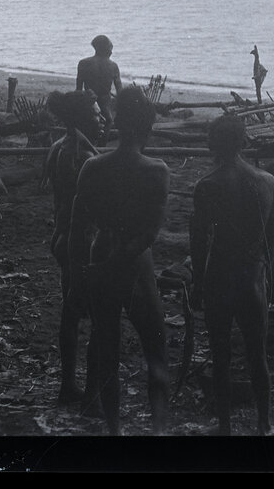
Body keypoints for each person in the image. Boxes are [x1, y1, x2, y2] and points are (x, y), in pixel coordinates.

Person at [68, 86, 170, 435]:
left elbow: (77, 229)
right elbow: (150, 233)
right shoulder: (156, 170)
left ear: (117, 123)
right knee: (156, 346)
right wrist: (119, 261)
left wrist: (82, 277)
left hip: (101, 256)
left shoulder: (92, 166)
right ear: (147, 129)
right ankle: (157, 431)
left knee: (107, 347)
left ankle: (114, 431)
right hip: (135, 264)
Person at [190, 114, 274, 436]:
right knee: (258, 353)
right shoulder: (267, 181)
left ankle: (225, 425)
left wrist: (198, 283)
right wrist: (269, 280)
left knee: (220, 353)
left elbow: (199, 241)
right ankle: (264, 424)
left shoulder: (208, 185)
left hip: (220, 276)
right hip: (254, 276)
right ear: (243, 141)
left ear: (214, 143)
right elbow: (272, 240)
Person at [42, 89, 104, 406]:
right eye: (96, 114)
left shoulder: (58, 147)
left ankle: (68, 385)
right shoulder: (83, 156)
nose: (103, 118)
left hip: (62, 235)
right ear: (82, 119)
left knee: (71, 310)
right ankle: (89, 394)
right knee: (97, 316)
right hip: (81, 240)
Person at [76, 35, 123, 141]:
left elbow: (78, 89)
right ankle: (102, 145)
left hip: (88, 100)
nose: (111, 52)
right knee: (109, 121)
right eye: (110, 49)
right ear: (106, 49)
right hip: (104, 101)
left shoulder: (83, 63)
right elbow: (120, 90)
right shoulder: (113, 66)